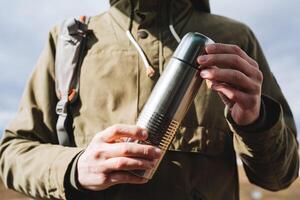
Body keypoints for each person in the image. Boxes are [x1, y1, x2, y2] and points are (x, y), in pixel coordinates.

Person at [0, 0, 298, 199]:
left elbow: (280, 177)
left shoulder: (233, 38)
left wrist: (256, 121)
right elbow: (12, 154)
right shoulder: (71, 41)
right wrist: (75, 167)